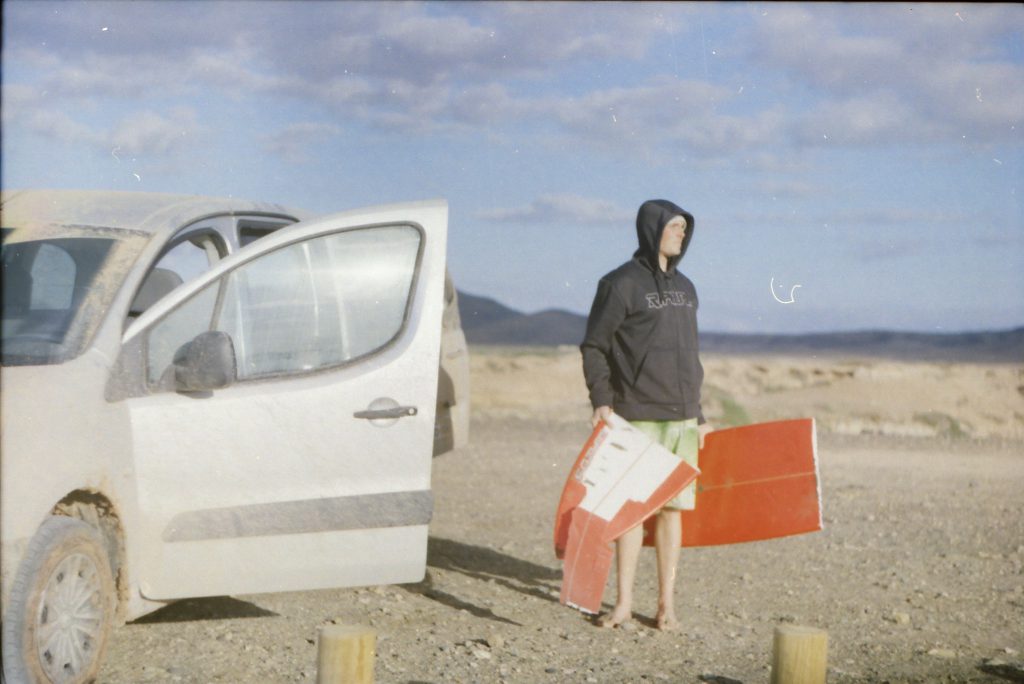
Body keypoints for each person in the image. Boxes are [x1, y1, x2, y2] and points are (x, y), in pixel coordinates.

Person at [580, 198, 712, 631]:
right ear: (652, 229)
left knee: (672, 513)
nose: (681, 234)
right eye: (674, 227)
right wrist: (602, 399)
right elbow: (595, 346)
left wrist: (700, 413)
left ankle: (666, 607)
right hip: (637, 414)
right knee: (632, 513)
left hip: (681, 418)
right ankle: (622, 605)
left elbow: (689, 357)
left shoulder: (687, 288)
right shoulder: (620, 284)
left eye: (684, 228)